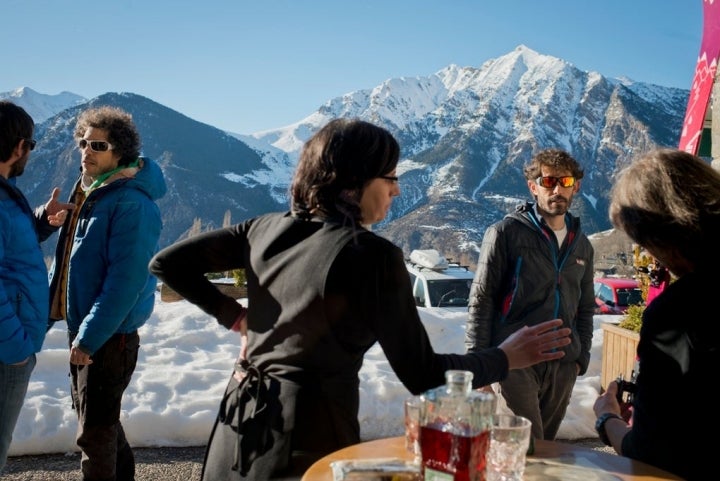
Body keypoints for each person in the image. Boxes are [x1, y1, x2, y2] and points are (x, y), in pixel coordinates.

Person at [149, 118, 573, 480]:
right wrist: (506, 357)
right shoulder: (371, 255)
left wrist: (236, 317)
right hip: (310, 439)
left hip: (237, 425)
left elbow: (169, 263)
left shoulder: (263, 228)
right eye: (390, 178)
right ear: (353, 182)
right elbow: (424, 374)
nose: (397, 191)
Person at [48, 106, 166, 481]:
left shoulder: (131, 202)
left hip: (109, 337)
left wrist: (89, 338)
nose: (87, 150)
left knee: (95, 433)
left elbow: (125, 282)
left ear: (121, 152)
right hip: (91, 329)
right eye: (84, 142)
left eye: (98, 144)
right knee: (101, 422)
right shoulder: (93, 194)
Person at [593, 148, 720, 481]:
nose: (649, 255)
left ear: (664, 236)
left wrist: (608, 420)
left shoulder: (678, 312)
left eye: (643, 242)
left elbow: (650, 454)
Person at [464, 148, 595, 441]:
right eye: (549, 182)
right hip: (516, 361)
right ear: (533, 187)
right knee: (524, 446)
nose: (558, 189)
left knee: (545, 449)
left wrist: (579, 358)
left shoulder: (583, 246)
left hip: (563, 364)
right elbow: (482, 300)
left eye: (566, 182)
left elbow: (586, 308)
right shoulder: (505, 233)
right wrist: (479, 368)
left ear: (576, 187)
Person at [0, 100, 74, 473]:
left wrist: (42, 221)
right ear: (18, 147)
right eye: (30, 144)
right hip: (5, 351)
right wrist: (14, 347)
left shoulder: (5, 194)